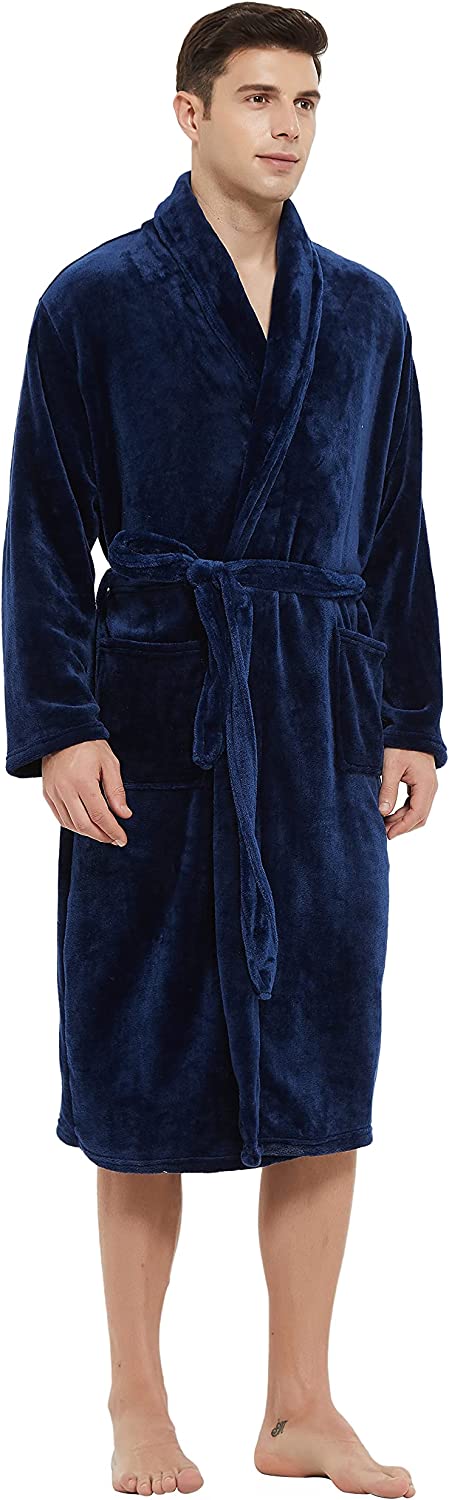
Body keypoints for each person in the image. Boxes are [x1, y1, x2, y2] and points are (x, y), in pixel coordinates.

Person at [2, 2, 445, 1493]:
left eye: (306, 102)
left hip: (319, 718)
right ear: (188, 113)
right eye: (258, 98)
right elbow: (42, 531)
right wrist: (59, 724)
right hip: (157, 709)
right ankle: (136, 1398)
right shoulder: (95, 299)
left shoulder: (366, 311)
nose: (287, 127)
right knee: (140, 1055)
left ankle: (299, 1405)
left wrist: (410, 719)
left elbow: (393, 533)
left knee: (322, 1053)